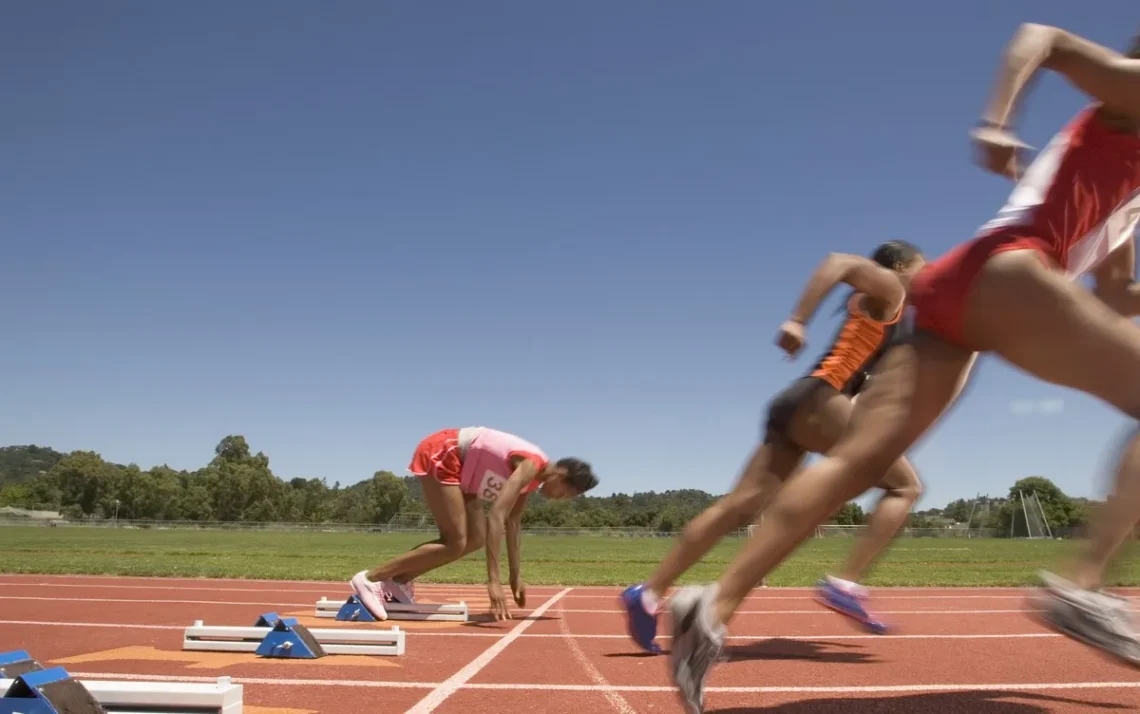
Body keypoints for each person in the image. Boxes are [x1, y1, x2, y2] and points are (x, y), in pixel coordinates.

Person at [666, 24, 1140, 713]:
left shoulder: (1131, 198)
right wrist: (996, 122)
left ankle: (712, 606)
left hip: (960, 291)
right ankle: (1085, 586)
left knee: (859, 461)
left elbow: (1117, 295)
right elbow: (1044, 38)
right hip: (1012, 271)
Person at [618, 241, 926, 653]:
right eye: (922, 269)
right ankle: (846, 583)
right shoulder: (891, 287)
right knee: (904, 487)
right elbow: (839, 262)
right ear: (903, 265)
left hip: (798, 401)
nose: (926, 279)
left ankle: (650, 592)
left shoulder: (886, 309)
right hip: (823, 399)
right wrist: (797, 320)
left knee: (739, 504)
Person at [350, 426, 598, 621]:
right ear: (561, 476)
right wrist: (493, 582)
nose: (559, 500)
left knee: (476, 539)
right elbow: (496, 515)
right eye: (565, 494)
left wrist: (515, 577)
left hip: (467, 478)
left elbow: (512, 524)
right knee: (455, 542)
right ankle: (371, 578)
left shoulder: (531, 482)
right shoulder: (531, 465)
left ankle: (397, 581)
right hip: (445, 451)